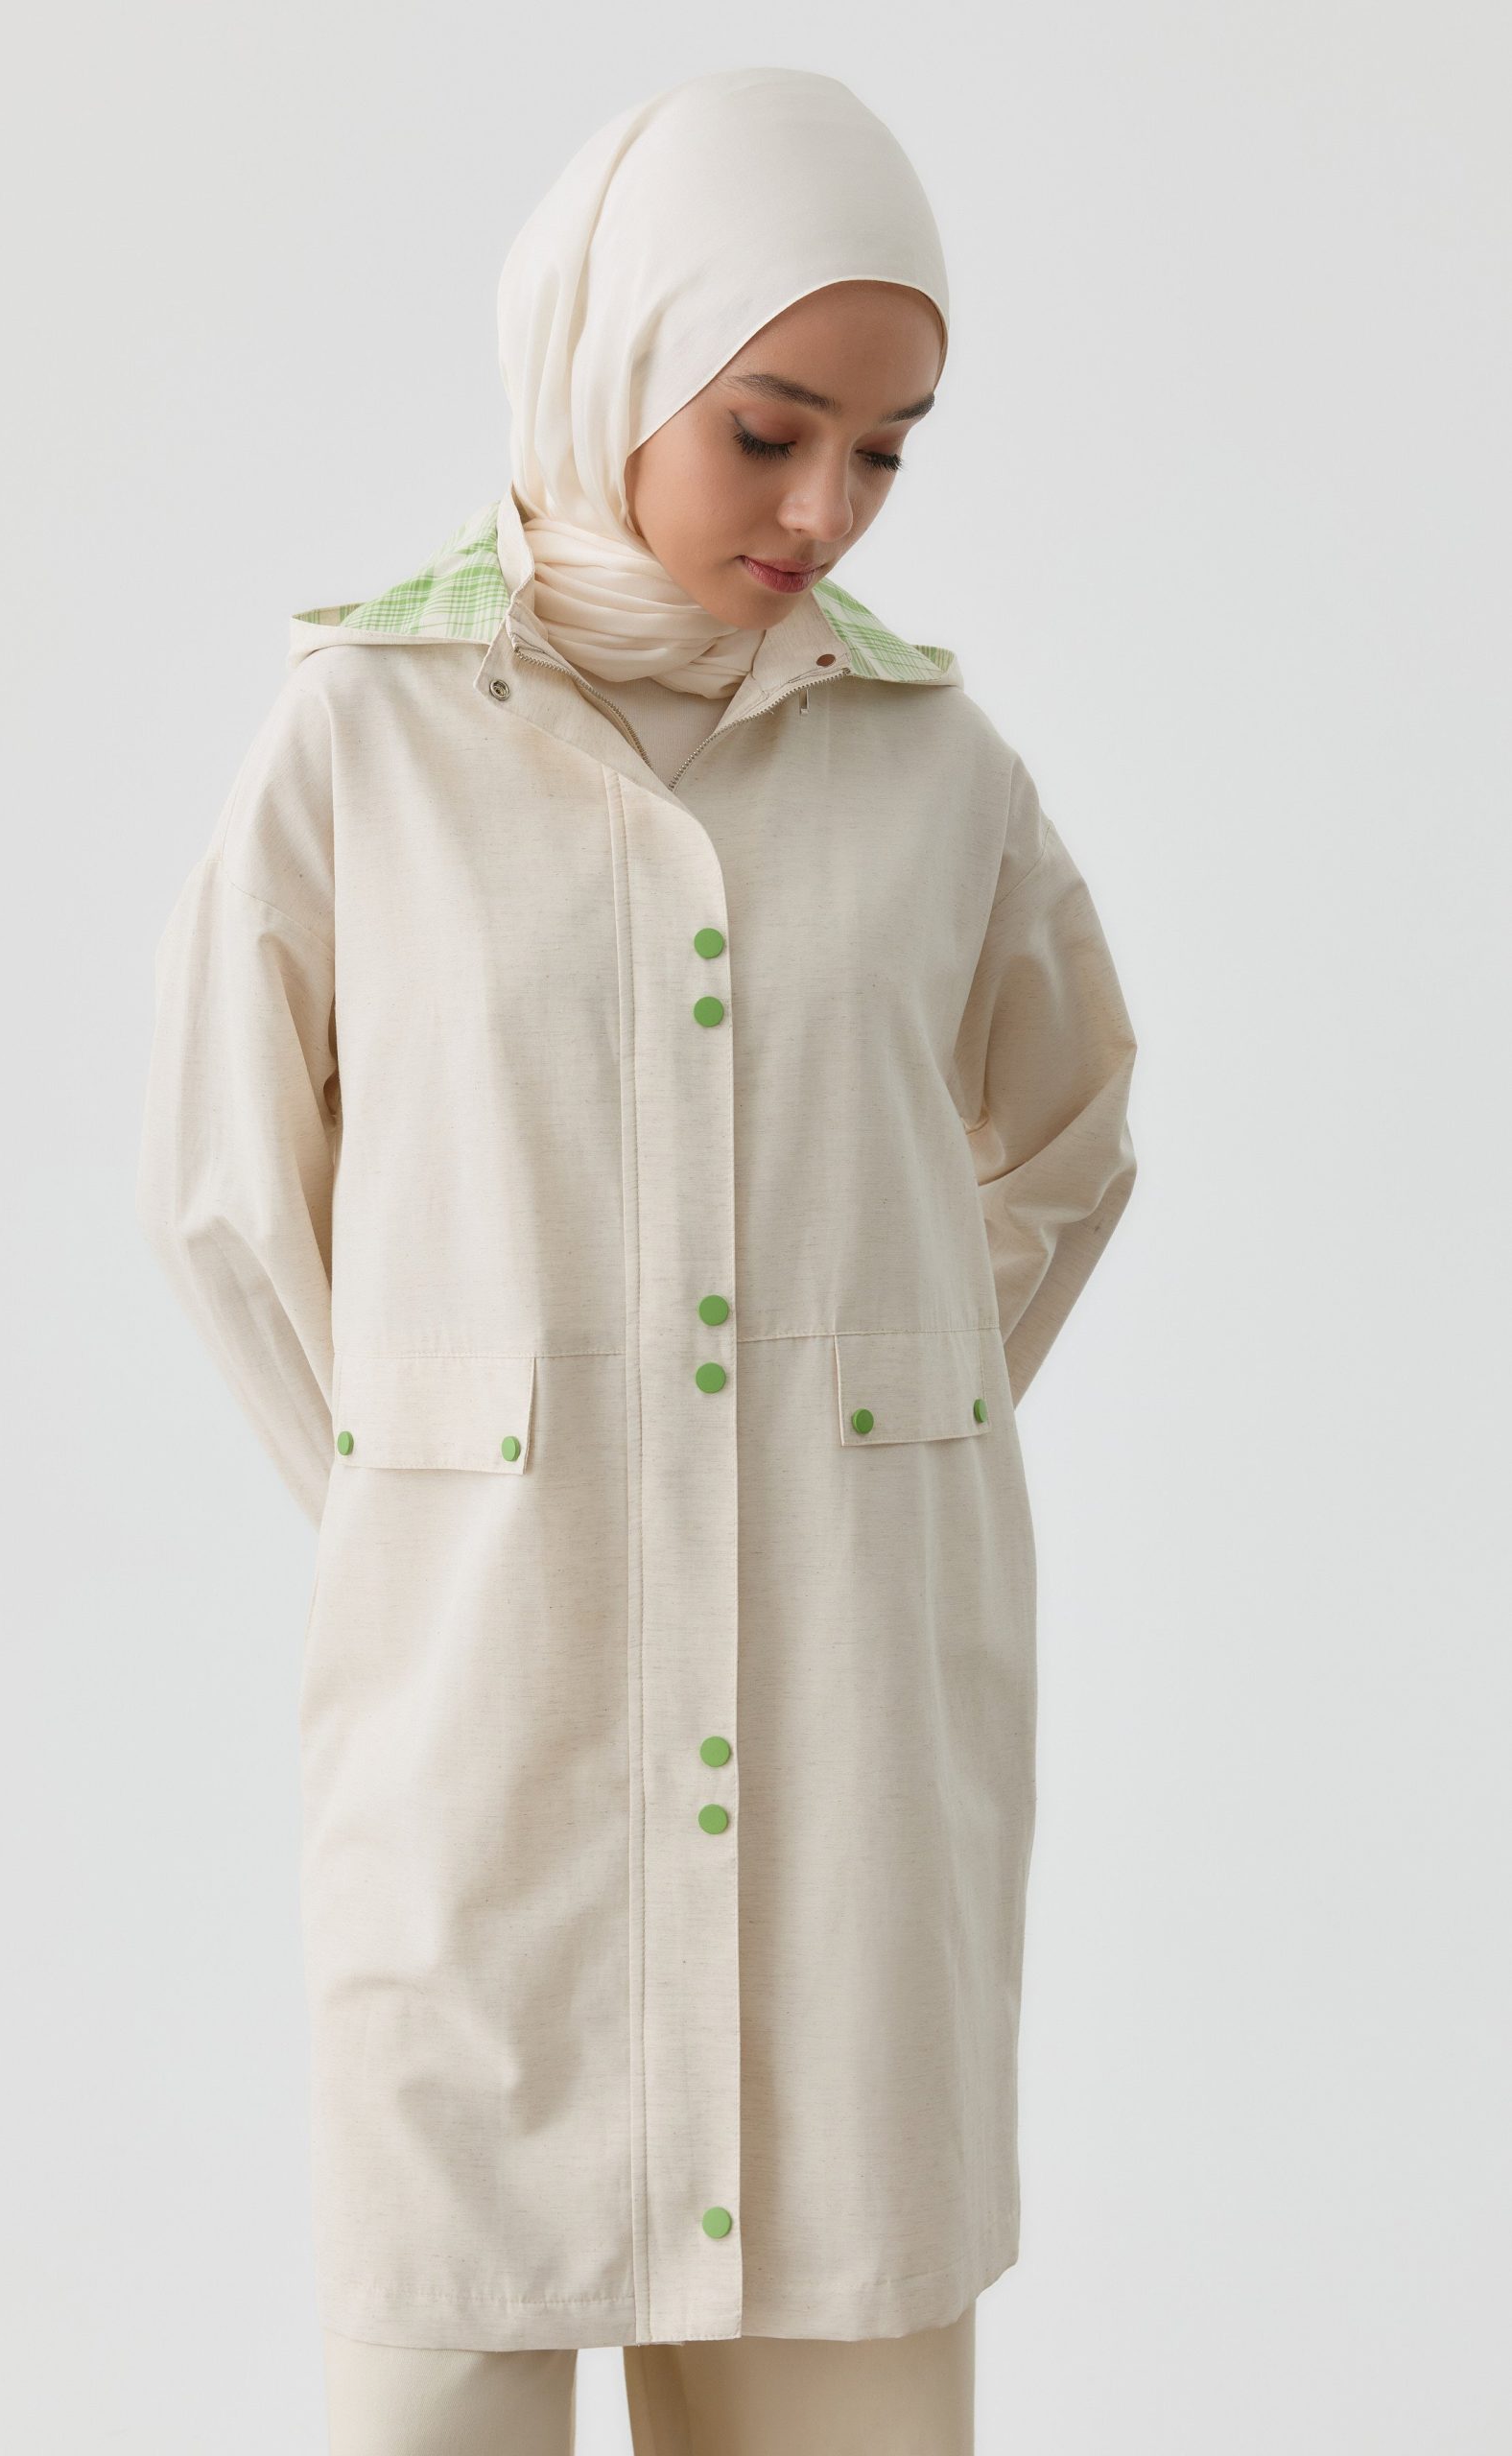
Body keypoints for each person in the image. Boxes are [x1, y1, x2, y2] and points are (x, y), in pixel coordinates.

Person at [135, 63, 1139, 2456]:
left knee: (843, 2371)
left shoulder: (936, 766)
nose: (822, 510)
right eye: (767, 430)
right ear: (610, 360)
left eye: (882, 453)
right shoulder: (364, 737)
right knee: (435, 2373)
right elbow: (233, 1197)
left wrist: (862, 1419)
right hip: (479, 1730)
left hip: (847, 1735)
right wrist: (432, 1492)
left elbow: (1067, 1134)